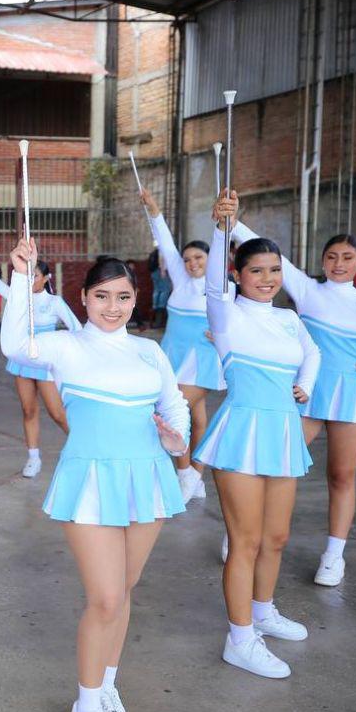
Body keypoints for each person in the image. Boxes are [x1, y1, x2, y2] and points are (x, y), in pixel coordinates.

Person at [2, 238, 189, 712]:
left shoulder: (149, 351)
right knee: (105, 598)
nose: (113, 306)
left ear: (136, 300)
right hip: (89, 480)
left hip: (148, 478)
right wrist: (20, 280)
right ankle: (85, 710)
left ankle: (106, 683)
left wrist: (178, 440)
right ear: (83, 298)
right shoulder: (64, 346)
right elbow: (16, 343)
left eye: (123, 296)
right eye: (103, 296)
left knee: (124, 590)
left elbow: (174, 408)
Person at [229, 223, 356, 586]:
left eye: (347, 257)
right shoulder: (307, 289)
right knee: (275, 465)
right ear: (322, 260)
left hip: (354, 394)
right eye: (332, 256)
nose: (338, 263)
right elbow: (269, 253)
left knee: (341, 476)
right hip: (308, 392)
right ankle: (244, 533)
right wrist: (234, 221)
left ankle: (334, 556)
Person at [195, 192, 320, 680]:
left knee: (277, 537)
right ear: (237, 274)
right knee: (243, 541)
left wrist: (304, 388)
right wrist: (223, 229)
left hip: (283, 431)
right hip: (242, 430)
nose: (268, 279)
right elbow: (209, 288)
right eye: (257, 271)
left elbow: (313, 356)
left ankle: (264, 612)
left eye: (275, 271)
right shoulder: (225, 315)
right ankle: (240, 638)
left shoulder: (289, 319)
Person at [141, 188, 224, 503]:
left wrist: (225, 337)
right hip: (173, 358)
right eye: (187, 259)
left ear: (210, 259)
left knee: (171, 410)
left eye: (198, 258)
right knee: (198, 419)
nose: (191, 263)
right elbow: (164, 240)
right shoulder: (180, 278)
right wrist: (153, 209)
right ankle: (195, 478)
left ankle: (185, 472)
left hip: (203, 361)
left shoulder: (221, 286)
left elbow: (243, 319)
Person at [0, 243, 77, 477]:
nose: (31, 280)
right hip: (22, 361)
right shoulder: (19, 295)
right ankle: (33, 457)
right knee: (29, 411)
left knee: (58, 414)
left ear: (46, 277)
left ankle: (85, 447)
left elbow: (77, 330)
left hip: (46, 364)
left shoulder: (55, 302)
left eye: (35, 275)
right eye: (28, 275)